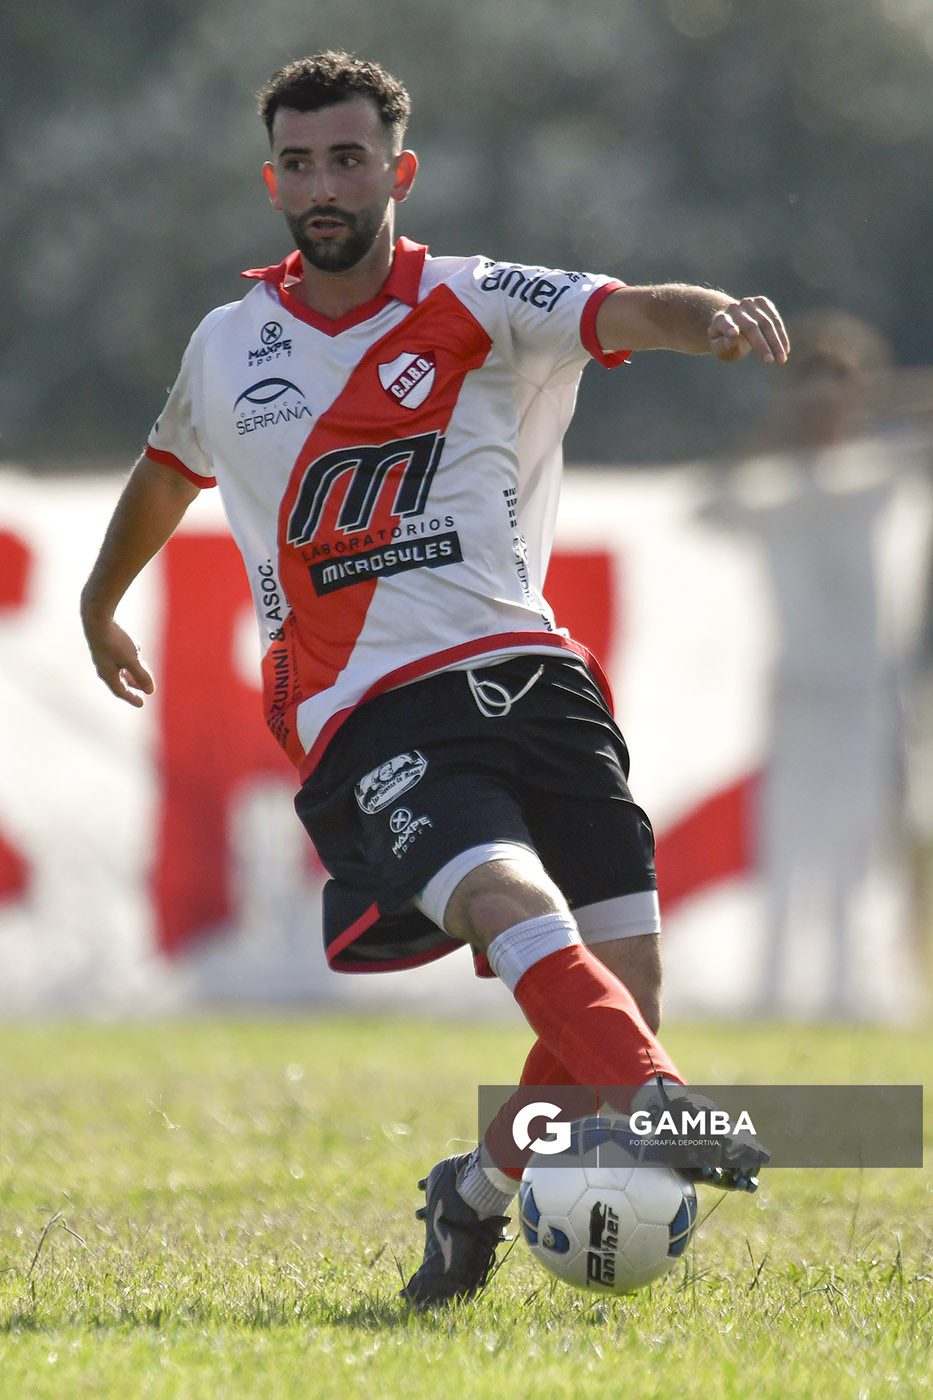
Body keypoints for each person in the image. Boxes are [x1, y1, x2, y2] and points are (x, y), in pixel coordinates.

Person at [80, 52, 788, 1308]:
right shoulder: (228, 342)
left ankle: (477, 1189)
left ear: (397, 171)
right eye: (299, 163)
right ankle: (661, 1098)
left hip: (528, 666)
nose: (323, 185)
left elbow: (631, 310)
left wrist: (714, 315)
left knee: (623, 981)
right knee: (507, 897)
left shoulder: (479, 297)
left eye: (347, 159)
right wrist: (98, 596)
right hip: (365, 705)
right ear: (273, 179)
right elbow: (164, 468)